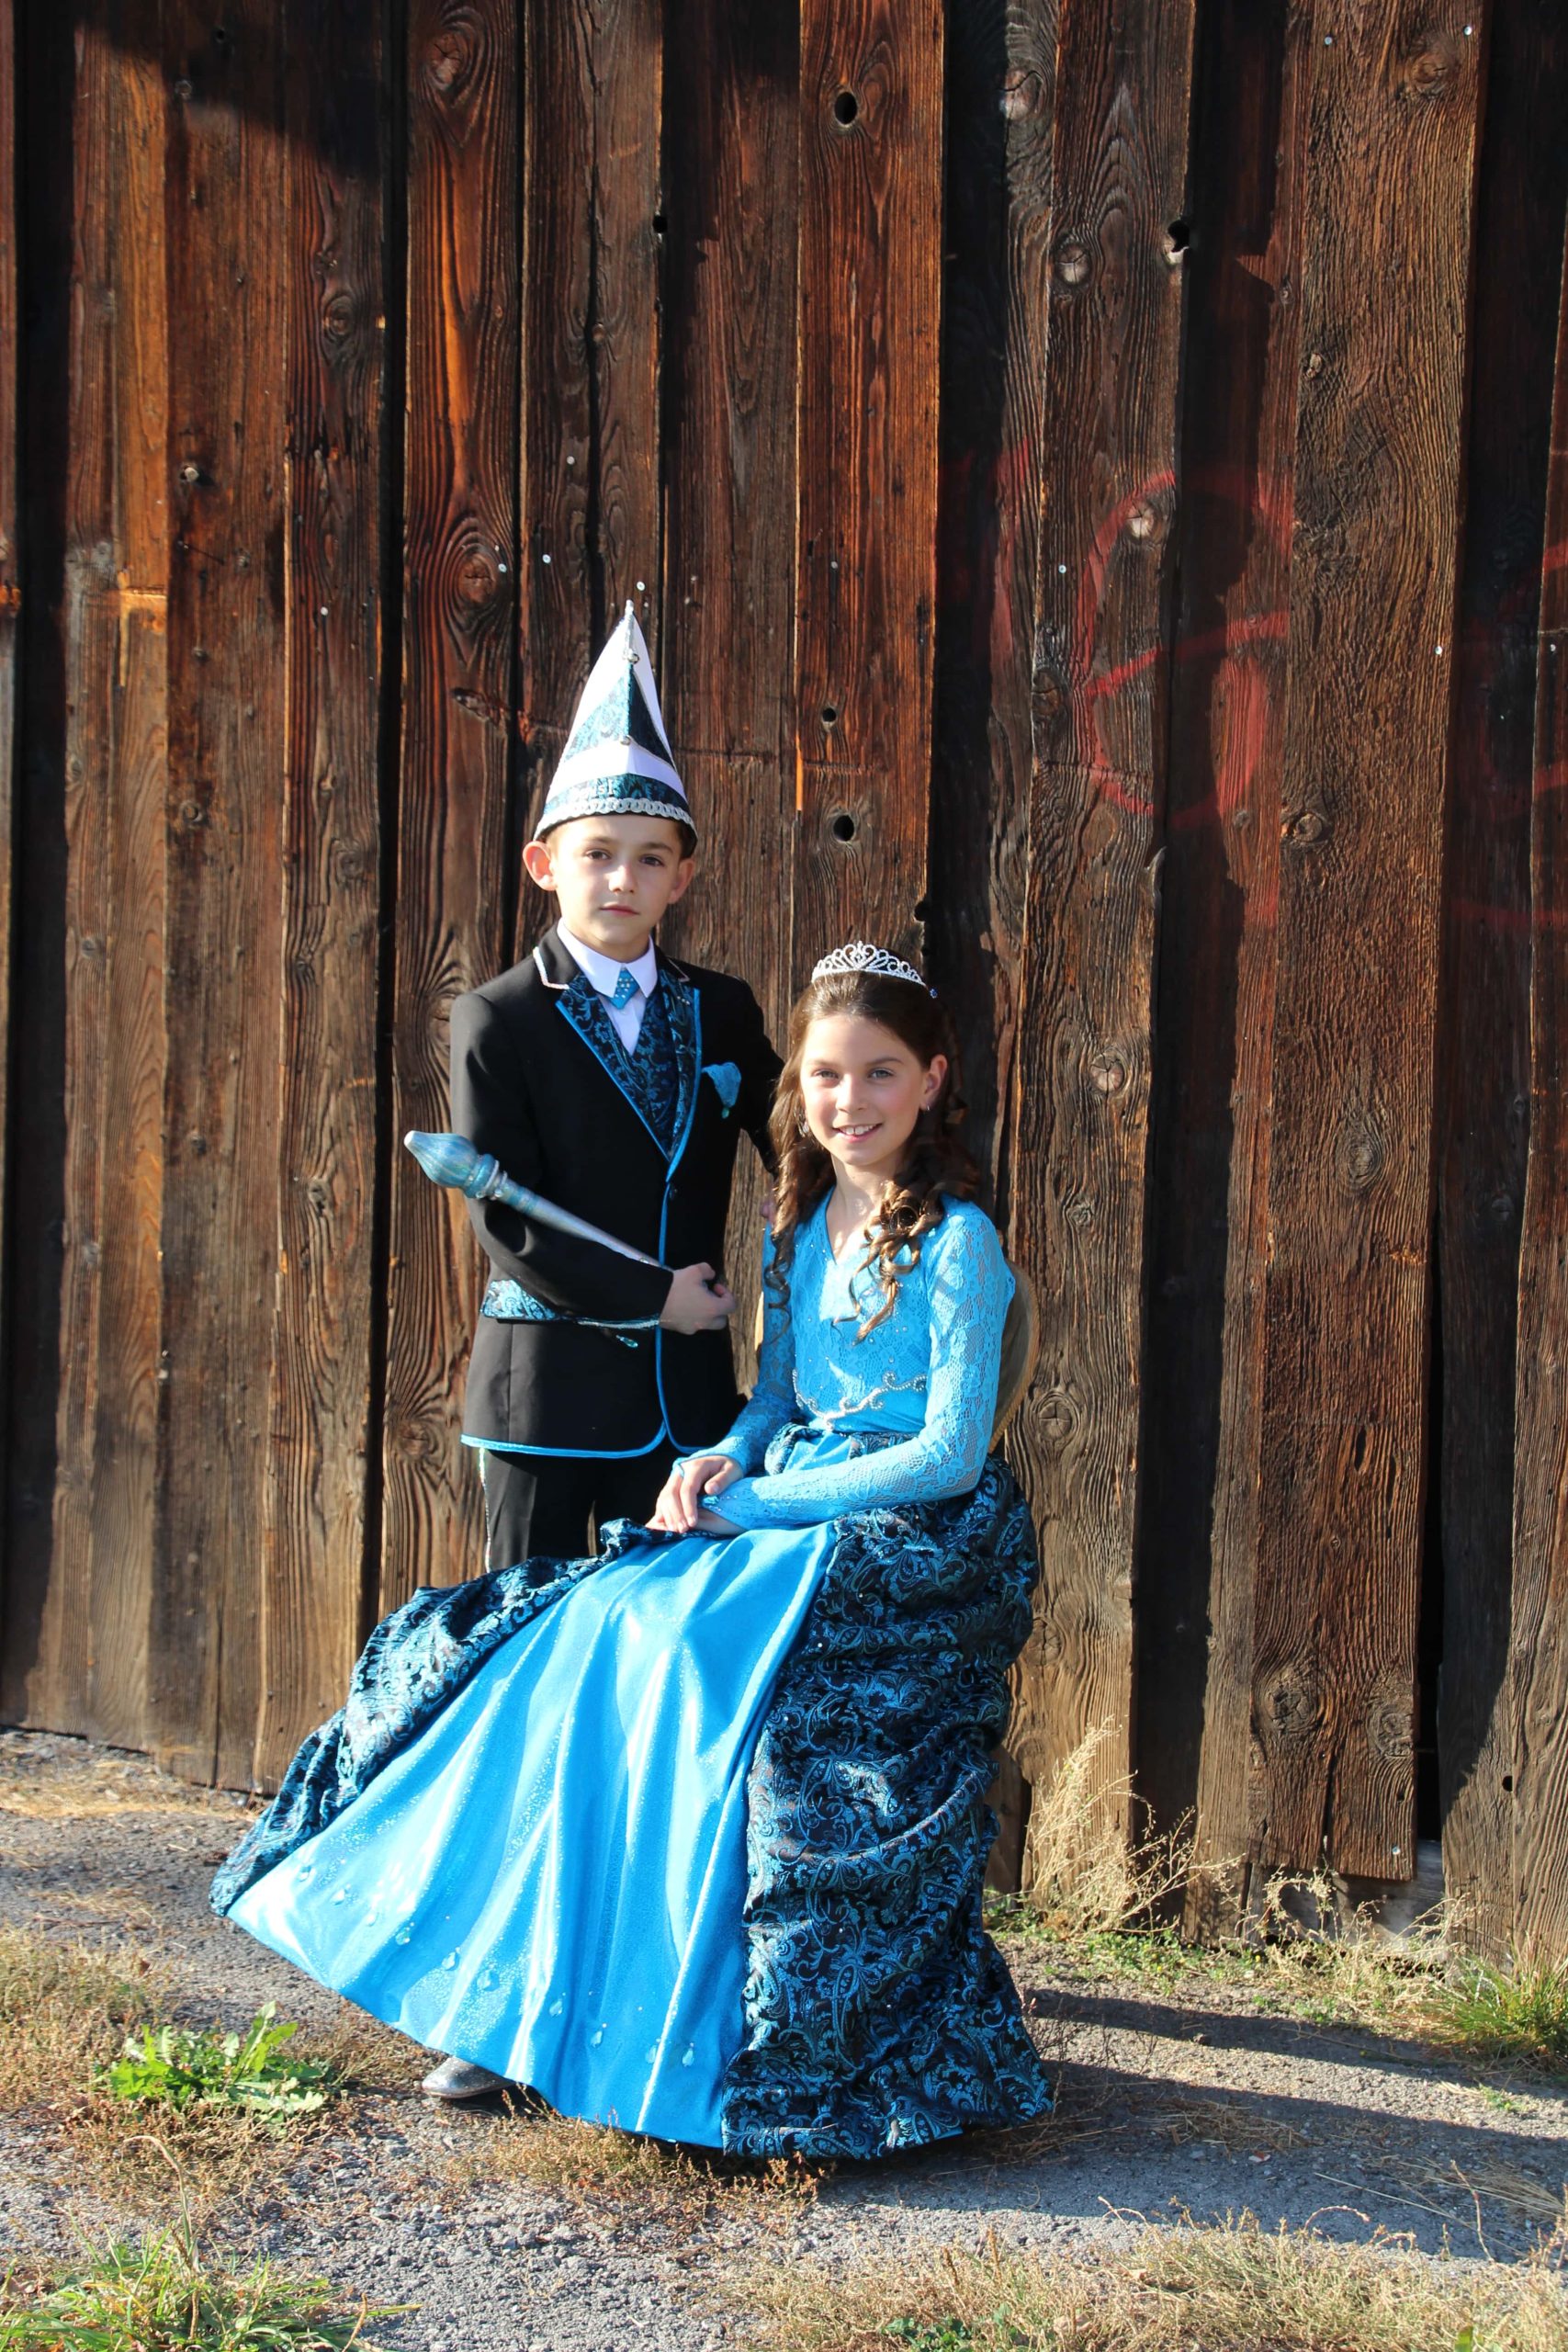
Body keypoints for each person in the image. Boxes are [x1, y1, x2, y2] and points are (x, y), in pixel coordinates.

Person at [212, 944, 1052, 2158]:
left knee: (686, 1653)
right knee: (592, 1629)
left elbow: (947, 1454)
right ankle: (531, 1998)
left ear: (929, 1081)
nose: (850, 1100)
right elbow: (780, 1396)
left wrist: (759, 1507)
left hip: (907, 1532)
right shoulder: (797, 1225)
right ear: (798, 1089)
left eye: (879, 1073)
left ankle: (697, 2023)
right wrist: (716, 1456)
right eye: (825, 1075)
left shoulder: (957, 1239)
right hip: (784, 1494)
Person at [450, 599, 780, 1581]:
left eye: (649, 858)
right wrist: (653, 1298)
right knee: (527, 1628)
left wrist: (875, 1212)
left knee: (666, 1628)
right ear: (545, 865)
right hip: (545, 1397)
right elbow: (505, 1217)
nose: (621, 879)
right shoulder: (499, 1017)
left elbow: (799, 1139)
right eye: (597, 853)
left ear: (682, 877)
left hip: (686, 1402)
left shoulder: (720, 1008)